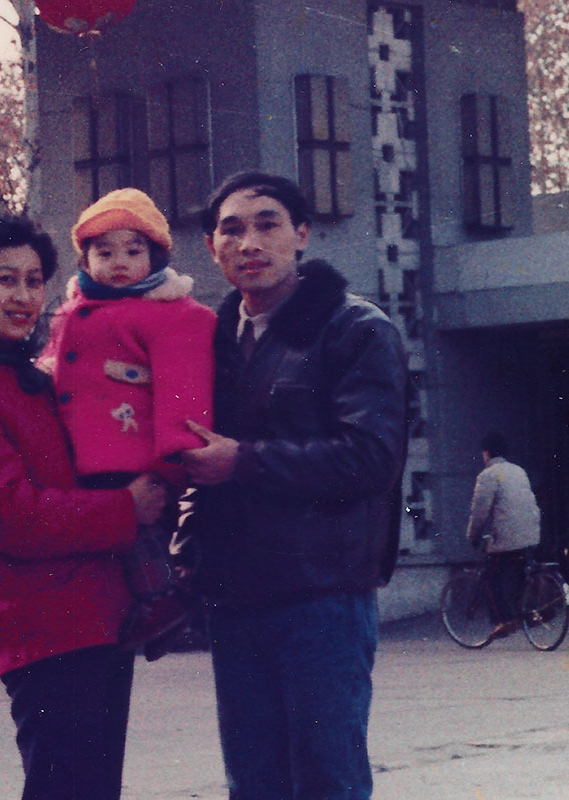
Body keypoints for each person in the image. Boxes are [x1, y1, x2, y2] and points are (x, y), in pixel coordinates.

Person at [0, 214, 167, 800]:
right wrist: (126, 509)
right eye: (6, 280)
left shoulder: (38, 380)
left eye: (34, 280)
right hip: (42, 630)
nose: (24, 297)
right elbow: (13, 517)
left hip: (97, 618)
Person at [180, 171, 407, 800]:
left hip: (323, 599)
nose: (249, 241)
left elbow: (372, 458)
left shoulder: (356, 329)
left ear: (302, 234)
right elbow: (193, 457)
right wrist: (185, 557)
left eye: (267, 223)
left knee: (325, 779)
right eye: (231, 228)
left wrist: (245, 462)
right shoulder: (208, 343)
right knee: (252, 783)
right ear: (211, 247)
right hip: (236, 600)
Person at [39, 187, 216, 658]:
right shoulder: (71, 309)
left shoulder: (172, 313)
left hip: (137, 460)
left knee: (140, 540)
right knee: (123, 545)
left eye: (133, 251)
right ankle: (159, 613)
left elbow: (185, 392)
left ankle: (168, 605)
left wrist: (172, 466)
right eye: (104, 252)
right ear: (85, 258)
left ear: (154, 256)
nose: (118, 262)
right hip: (86, 464)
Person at [466, 431, 541, 637]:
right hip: (531, 533)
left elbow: (480, 511)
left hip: (507, 538)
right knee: (517, 573)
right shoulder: (519, 471)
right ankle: (528, 613)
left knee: (491, 576)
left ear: (487, 453)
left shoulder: (488, 475)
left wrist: (472, 535)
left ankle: (503, 621)